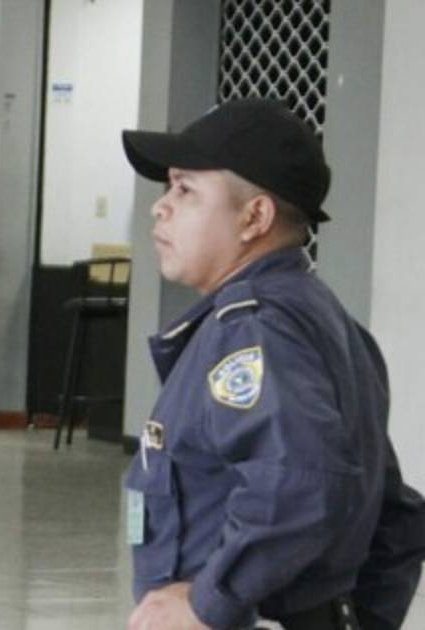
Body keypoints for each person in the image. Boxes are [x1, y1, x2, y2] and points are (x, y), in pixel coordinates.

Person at [120, 98, 425, 630]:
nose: (160, 207)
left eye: (185, 190)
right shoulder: (321, 319)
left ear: (254, 217)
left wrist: (207, 603)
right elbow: (392, 512)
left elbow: (301, 481)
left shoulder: (254, 330)